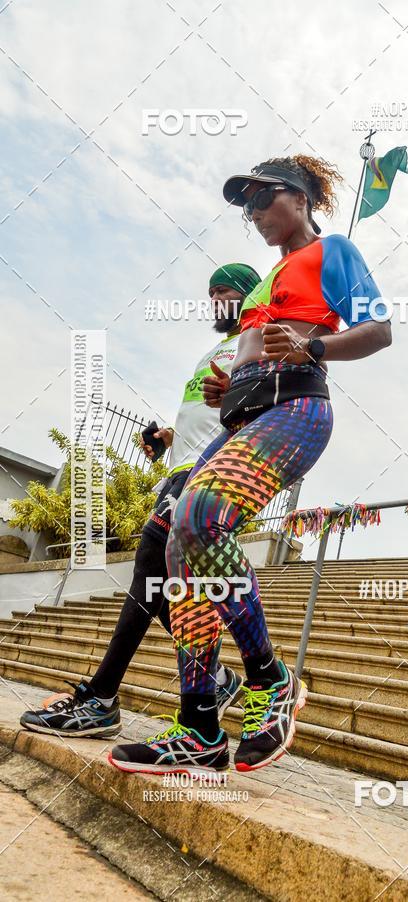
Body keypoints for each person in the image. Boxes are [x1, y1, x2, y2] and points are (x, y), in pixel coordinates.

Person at [109, 153, 392, 776]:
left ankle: (270, 679)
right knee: (174, 543)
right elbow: (253, 352)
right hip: (243, 417)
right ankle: (199, 728)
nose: (254, 213)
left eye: (263, 199)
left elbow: (379, 330)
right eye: (246, 207)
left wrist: (314, 345)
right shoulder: (267, 281)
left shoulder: (333, 250)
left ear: (301, 198)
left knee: (201, 516)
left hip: (297, 409)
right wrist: (227, 388)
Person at [20, 263, 261, 739]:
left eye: (223, 292)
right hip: (181, 468)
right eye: (210, 293)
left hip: (209, 471)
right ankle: (215, 679)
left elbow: (255, 409)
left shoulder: (256, 340)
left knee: (150, 563)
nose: (214, 301)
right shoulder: (214, 351)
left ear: (248, 294)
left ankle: (102, 699)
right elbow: (205, 414)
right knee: (156, 583)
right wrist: (168, 437)